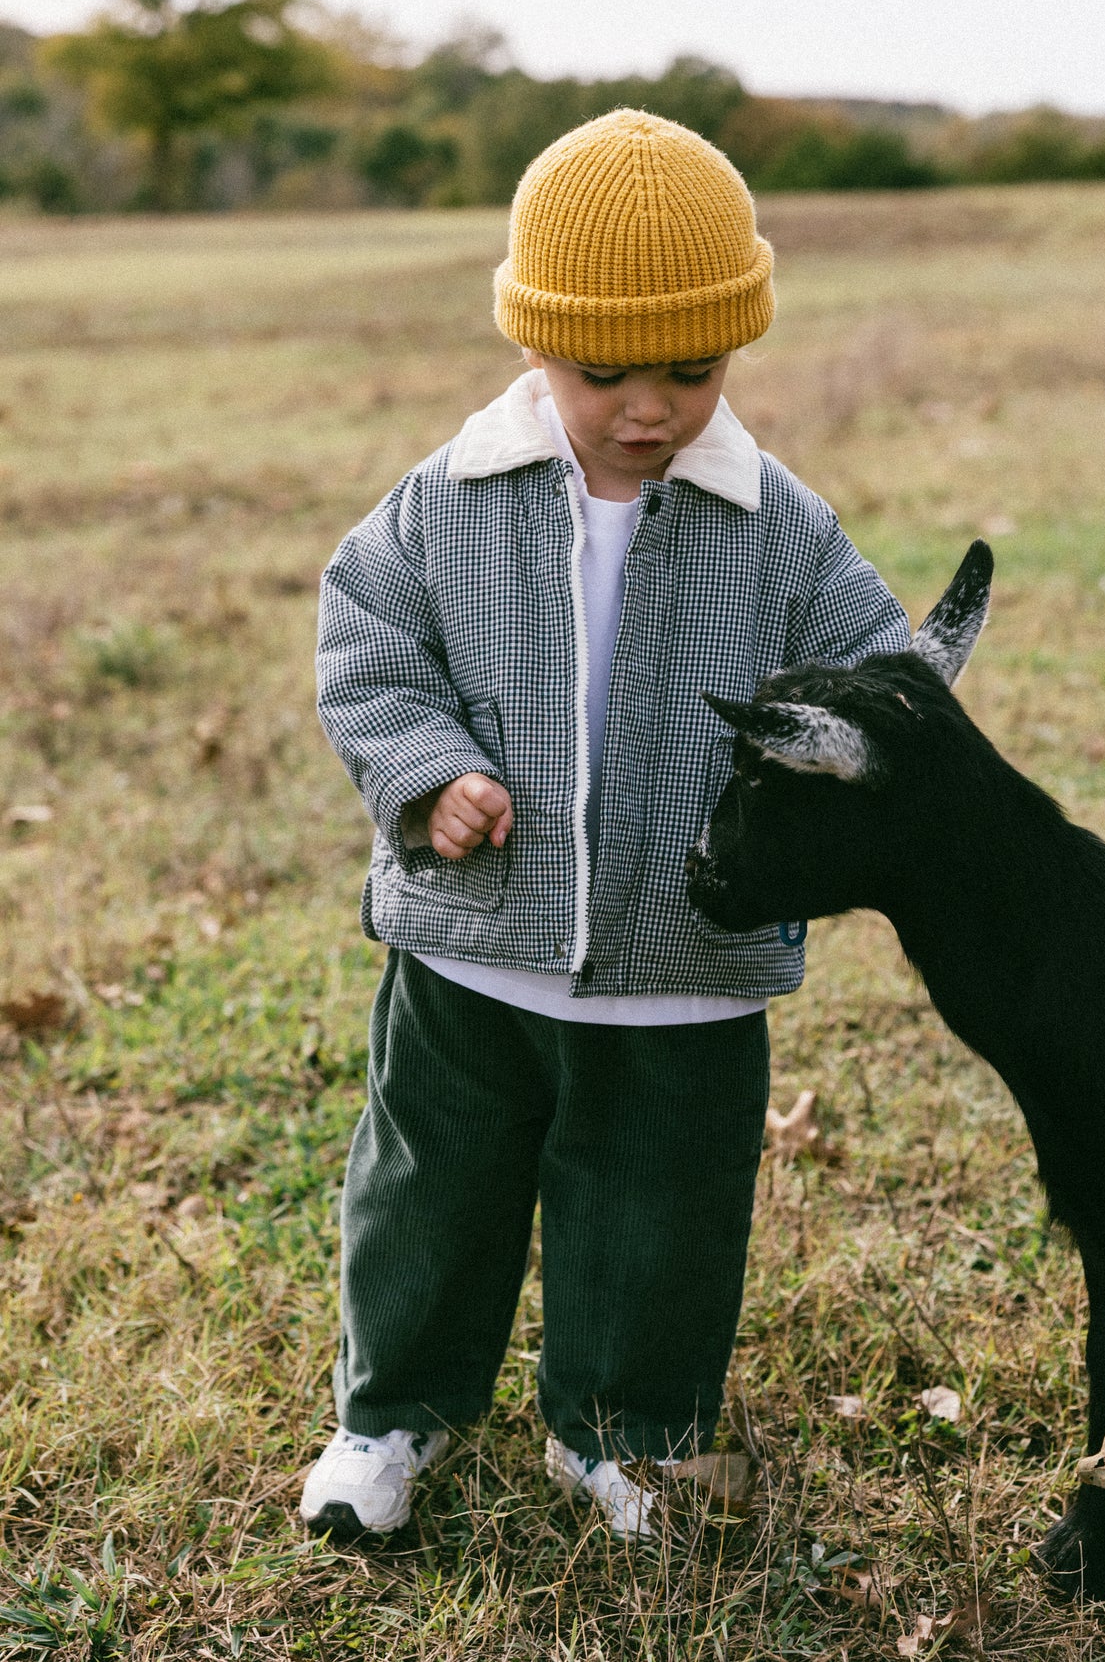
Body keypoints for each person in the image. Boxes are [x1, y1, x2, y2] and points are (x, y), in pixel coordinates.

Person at [301, 109, 910, 1542]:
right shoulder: (446, 505)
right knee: (428, 1201)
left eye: (690, 371)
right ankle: (391, 1416)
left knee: (660, 1216)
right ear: (532, 348)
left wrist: (829, 781)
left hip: (684, 956)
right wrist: (426, 770)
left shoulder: (777, 526)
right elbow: (369, 648)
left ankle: (629, 1436)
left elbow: (873, 673)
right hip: (475, 947)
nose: (649, 406)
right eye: (603, 374)